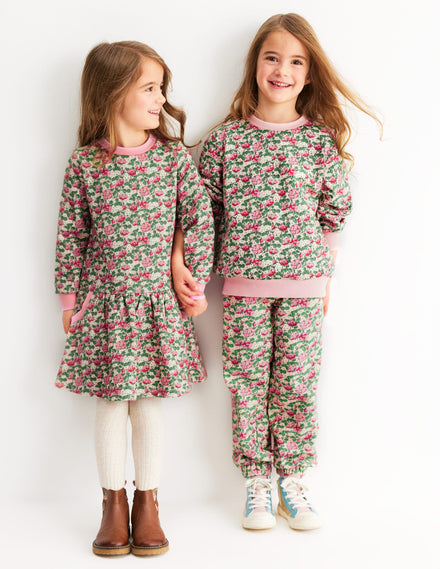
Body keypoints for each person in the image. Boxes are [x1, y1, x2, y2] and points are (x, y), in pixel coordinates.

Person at [172, 13, 381, 531]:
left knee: (297, 383)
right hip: (241, 288)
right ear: (255, 65)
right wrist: (189, 270)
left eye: (295, 62)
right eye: (272, 58)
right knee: (246, 383)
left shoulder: (319, 142)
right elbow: (202, 216)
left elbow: (334, 213)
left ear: (308, 75)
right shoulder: (224, 142)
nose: (282, 70)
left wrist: (324, 277)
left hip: (304, 287)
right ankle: (256, 483)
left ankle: (292, 479)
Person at [54, 41, 214, 556]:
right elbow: (71, 235)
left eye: (161, 88)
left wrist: (193, 279)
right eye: (149, 88)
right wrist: (68, 299)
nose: (160, 99)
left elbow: (199, 219)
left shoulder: (171, 160)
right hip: (104, 306)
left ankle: (147, 502)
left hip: (157, 305)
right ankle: (112, 505)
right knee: (111, 400)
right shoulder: (84, 165)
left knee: (146, 402)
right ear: (113, 92)